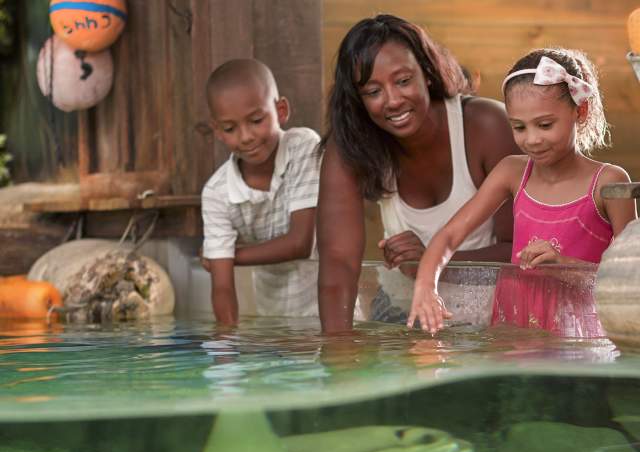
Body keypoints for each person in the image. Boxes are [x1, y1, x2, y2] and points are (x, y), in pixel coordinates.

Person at [409, 47, 638, 334]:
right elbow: (449, 235)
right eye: (518, 127)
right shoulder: (512, 172)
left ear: (581, 111)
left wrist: (564, 265)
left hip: (580, 334)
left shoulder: (609, 183)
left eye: (545, 125)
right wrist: (426, 284)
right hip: (513, 327)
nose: (532, 139)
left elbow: (629, 281)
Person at [317, 14, 520, 332]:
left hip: (489, 319)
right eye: (373, 91)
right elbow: (338, 267)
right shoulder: (349, 147)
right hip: (401, 315)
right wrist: (337, 358)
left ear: (426, 72)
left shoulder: (486, 126)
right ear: (358, 100)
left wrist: (431, 261)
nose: (393, 100)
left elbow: (520, 251)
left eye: (402, 80)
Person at [201, 58, 321, 324]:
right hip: (275, 325)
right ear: (217, 131)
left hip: (331, 315)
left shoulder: (303, 147)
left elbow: (301, 243)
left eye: (256, 120)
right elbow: (222, 290)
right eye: (230, 128)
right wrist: (225, 356)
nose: (245, 136)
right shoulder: (216, 193)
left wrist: (226, 256)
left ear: (281, 110)